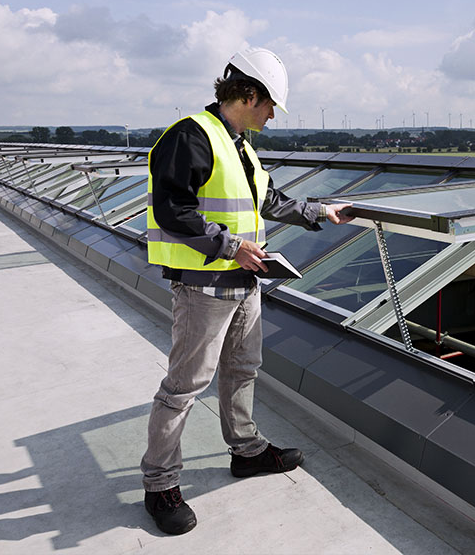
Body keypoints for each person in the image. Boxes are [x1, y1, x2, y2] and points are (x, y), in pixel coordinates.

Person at [141, 46, 352, 535]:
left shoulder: (239, 143)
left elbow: (267, 200)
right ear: (249, 94)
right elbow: (173, 209)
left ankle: (247, 451)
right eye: (270, 105)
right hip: (203, 286)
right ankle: (159, 484)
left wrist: (320, 212)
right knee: (183, 388)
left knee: (242, 369)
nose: (273, 116)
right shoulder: (191, 136)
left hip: (244, 281)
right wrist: (231, 246)